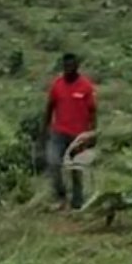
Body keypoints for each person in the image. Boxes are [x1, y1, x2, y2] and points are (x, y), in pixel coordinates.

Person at [42, 53, 97, 211]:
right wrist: (44, 130)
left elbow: (93, 112)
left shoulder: (86, 86)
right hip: (58, 132)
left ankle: (77, 202)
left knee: (76, 169)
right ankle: (60, 197)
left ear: (77, 66)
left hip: (79, 136)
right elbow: (49, 108)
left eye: (72, 66)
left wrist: (92, 133)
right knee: (53, 163)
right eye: (66, 66)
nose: (69, 69)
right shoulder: (57, 85)